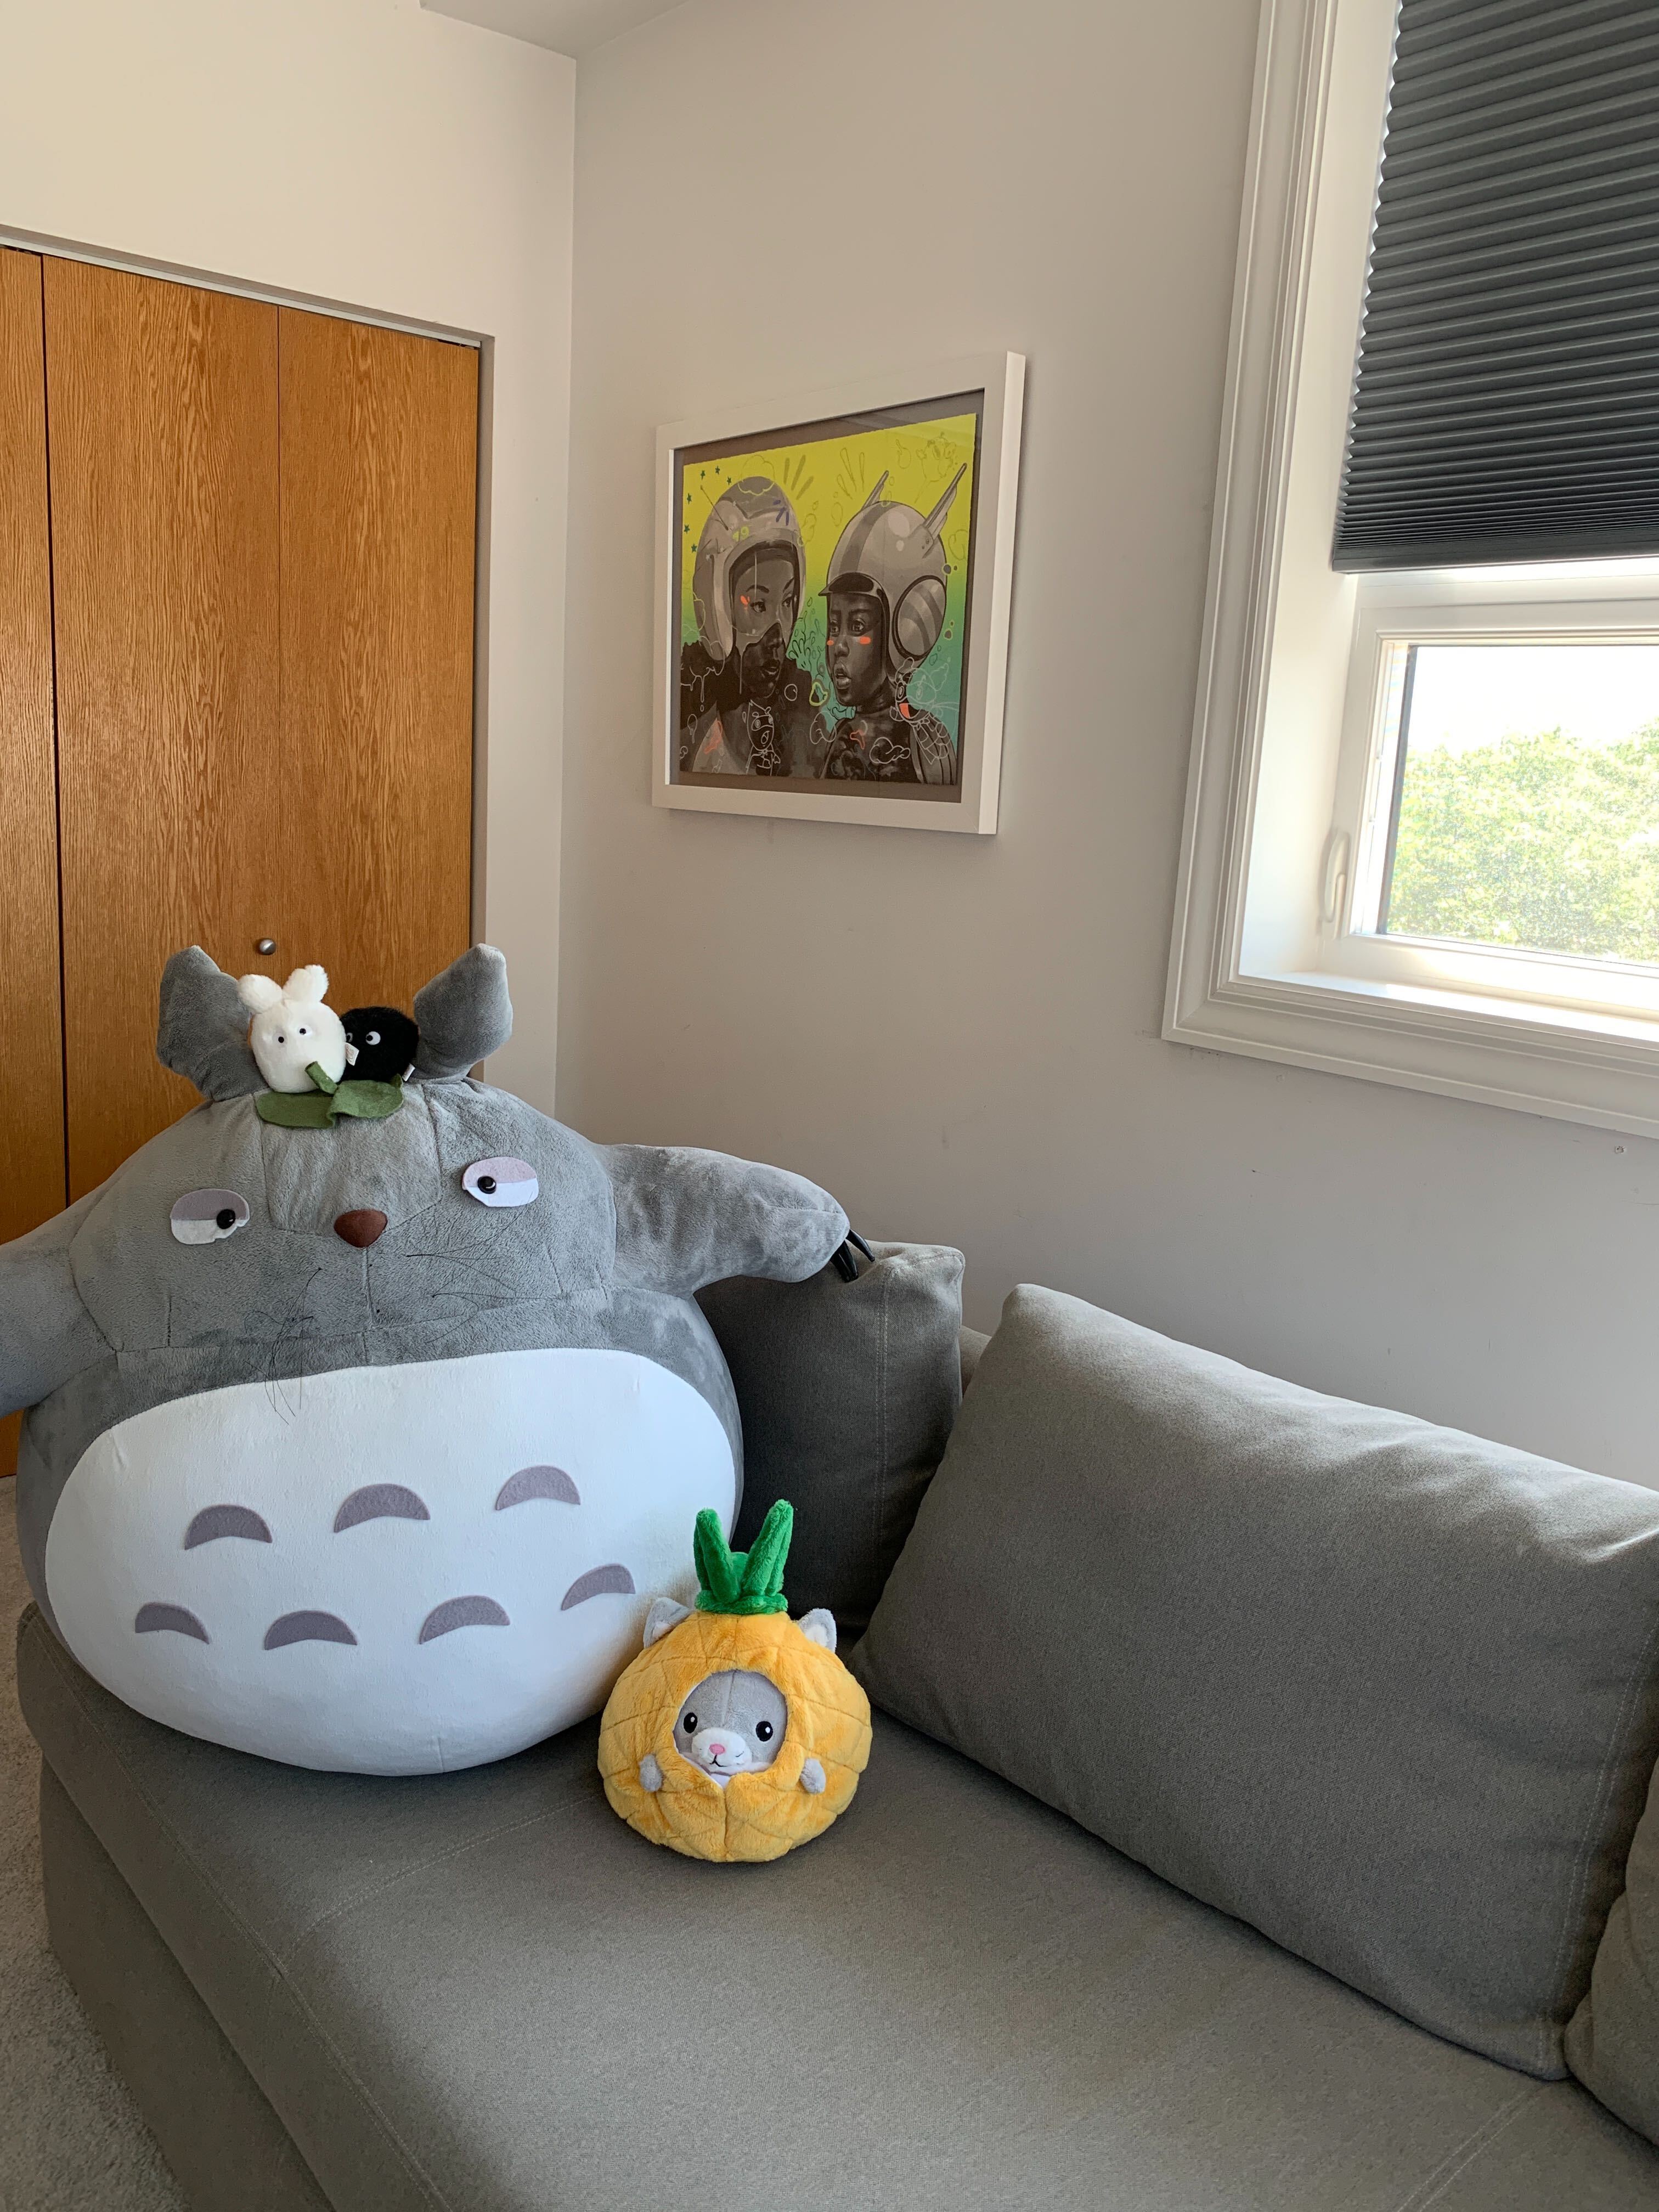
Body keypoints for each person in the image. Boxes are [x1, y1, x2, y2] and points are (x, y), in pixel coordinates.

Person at [811, 466, 965, 786]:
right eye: (834, 626)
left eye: (857, 626)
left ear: (910, 628)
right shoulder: (842, 738)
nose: (839, 646)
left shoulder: (925, 747)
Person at [678, 477, 815, 776]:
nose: (777, 637)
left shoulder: (808, 740)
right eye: (758, 605)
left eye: (788, 601)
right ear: (718, 605)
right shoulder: (688, 746)